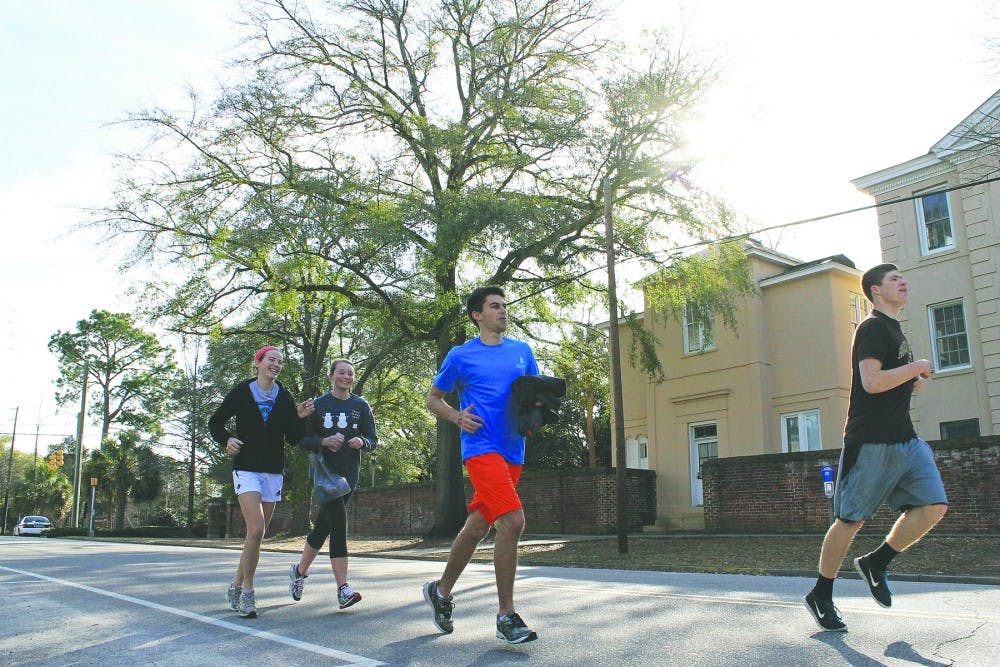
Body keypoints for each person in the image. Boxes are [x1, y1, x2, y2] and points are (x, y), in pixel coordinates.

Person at [804, 264, 949, 632]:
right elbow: (871, 382)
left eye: (902, 277)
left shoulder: (895, 329)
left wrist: (911, 381)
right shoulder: (871, 328)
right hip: (870, 441)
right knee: (850, 521)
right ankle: (821, 594)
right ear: (876, 290)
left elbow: (888, 381)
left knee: (934, 506)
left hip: (906, 440)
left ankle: (876, 562)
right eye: (894, 279)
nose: (903, 282)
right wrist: (916, 366)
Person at [422, 285, 541, 644]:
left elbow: (535, 396)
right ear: (477, 315)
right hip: (480, 448)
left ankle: (440, 591)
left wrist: (535, 416)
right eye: (494, 306)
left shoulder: (522, 351)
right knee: (513, 521)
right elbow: (433, 398)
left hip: (513, 451)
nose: (503, 310)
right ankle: (506, 615)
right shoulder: (461, 355)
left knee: (477, 527)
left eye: (504, 305)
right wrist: (457, 417)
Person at [208, 345, 314, 618]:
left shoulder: (284, 396)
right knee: (255, 530)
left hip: (273, 471)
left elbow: (293, 437)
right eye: (271, 359)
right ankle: (248, 592)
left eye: (280, 361)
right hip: (246, 469)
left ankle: (235, 584)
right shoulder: (242, 391)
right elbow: (215, 422)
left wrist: (300, 418)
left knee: (256, 536)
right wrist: (227, 440)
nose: (276, 364)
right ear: (257, 363)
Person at [288, 359, 378, 610]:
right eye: (341, 372)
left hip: (349, 477)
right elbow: (302, 441)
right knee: (339, 524)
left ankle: (299, 571)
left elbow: (373, 439)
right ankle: (343, 588)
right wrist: (324, 442)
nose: (346, 377)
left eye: (350, 373)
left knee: (322, 528)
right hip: (324, 476)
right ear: (331, 376)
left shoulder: (360, 405)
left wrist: (362, 442)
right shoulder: (318, 405)